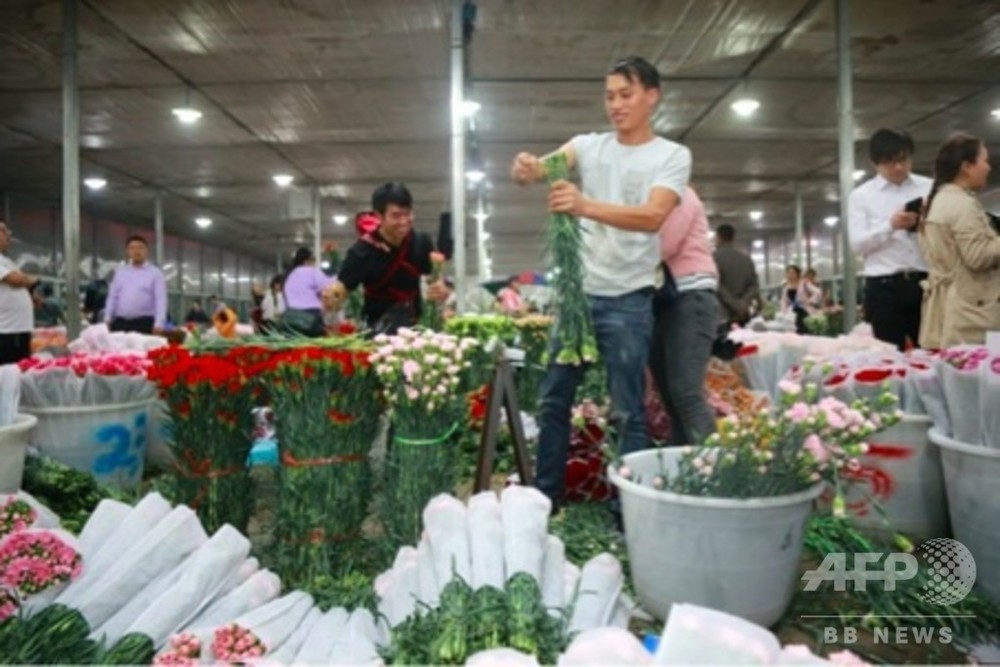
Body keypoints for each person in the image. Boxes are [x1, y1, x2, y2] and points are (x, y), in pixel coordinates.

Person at [510, 55, 690, 507]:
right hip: (576, 299)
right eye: (609, 96)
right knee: (553, 402)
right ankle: (545, 500)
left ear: (652, 96)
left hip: (629, 300)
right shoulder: (588, 146)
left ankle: (627, 511)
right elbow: (543, 169)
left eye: (626, 94)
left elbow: (652, 216)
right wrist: (528, 167)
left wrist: (584, 205)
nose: (615, 104)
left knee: (628, 411)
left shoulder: (671, 155)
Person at [323, 182, 448, 335]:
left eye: (408, 214)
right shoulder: (362, 251)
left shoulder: (421, 242)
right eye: (396, 215)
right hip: (377, 332)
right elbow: (341, 289)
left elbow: (435, 280)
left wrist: (440, 289)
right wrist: (332, 298)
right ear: (379, 216)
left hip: (416, 329)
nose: (403, 221)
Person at [848, 128, 931, 350]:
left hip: (924, 281)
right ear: (875, 163)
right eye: (890, 162)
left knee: (932, 350)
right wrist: (890, 226)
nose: (899, 167)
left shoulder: (929, 187)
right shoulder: (861, 196)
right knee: (888, 354)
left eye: (903, 160)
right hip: (883, 286)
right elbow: (857, 244)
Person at [649, 186, 719, 447]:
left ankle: (719, 476)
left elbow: (664, 244)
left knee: (686, 393)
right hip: (665, 302)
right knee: (670, 396)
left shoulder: (679, 194)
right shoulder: (650, 197)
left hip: (690, 297)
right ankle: (686, 470)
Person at [918, 133, 1000, 348]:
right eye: (984, 161)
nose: (988, 168)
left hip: (952, 309)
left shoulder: (939, 201)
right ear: (967, 166)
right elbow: (978, 257)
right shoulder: (961, 204)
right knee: (979, 378)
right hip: (971, 314)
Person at [104, 235, 167, 335]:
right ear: (127, 252)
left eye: (140, 248)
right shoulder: (120, 273)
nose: (136, 251)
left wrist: (159, 323)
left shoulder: (155, 273)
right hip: (120, 323)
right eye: (132, 248)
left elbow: (160, 300)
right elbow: (112, 297)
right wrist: (107, 318)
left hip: (144, 323)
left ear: (146, 251)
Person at [0, 220, 39, 365]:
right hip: (7, 332)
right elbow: (15, 279)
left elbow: (22, 280)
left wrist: (31, 294)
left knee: (21, 370)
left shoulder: (7, 261)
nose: (8, 235)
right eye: (3, 230)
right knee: (8, 374)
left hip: (19, 329)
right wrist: (33, 280)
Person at [713, 223, 760, 327]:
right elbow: (754, 285)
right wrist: (742, 304)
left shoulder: (712, 258)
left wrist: (734, 304)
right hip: (743, 314)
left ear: (718, 237)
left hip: (721, 314)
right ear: (733, 238)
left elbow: (716, 284)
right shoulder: (746, 259)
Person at [282, 247, 334, 337]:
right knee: (315, 346)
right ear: (307, 261)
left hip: (290, 316)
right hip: (310, 316)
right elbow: (327, 287)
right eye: (313, 260)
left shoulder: (289, 275)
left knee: (295, 347)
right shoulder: (311, 271)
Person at [780, 265, 821, 334]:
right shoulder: (786, 287)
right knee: (794, 332)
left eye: (792, 273)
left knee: (805, 331)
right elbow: (784, 301)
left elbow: (817, 292)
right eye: (788, 273)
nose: (790, 275)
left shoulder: (804, 283)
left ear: (797, 274)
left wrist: (810, 301)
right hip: (792, 313)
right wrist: (784, 312)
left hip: (804, 311)